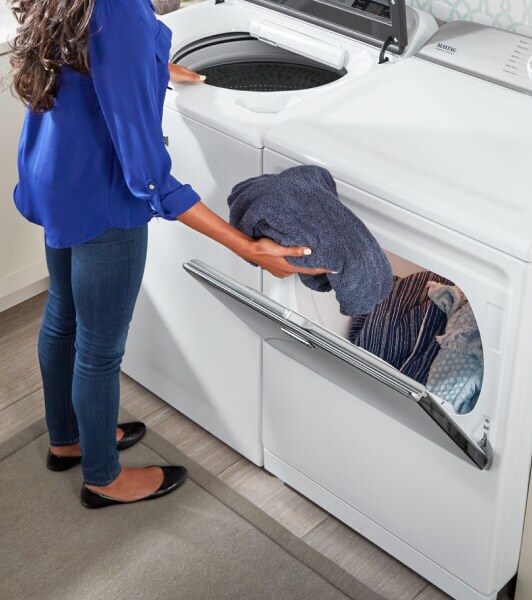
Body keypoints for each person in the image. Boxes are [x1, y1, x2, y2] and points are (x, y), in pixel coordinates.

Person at [9, 0, 328, 508]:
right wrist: (246, 247)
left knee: (63, 315)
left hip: (58, 176)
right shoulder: (122, 13)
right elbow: (149, 177)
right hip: (102, 199)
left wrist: (148, 69)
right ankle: (103, 478)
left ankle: (67, 439)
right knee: (99, 348)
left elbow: (93, 66)